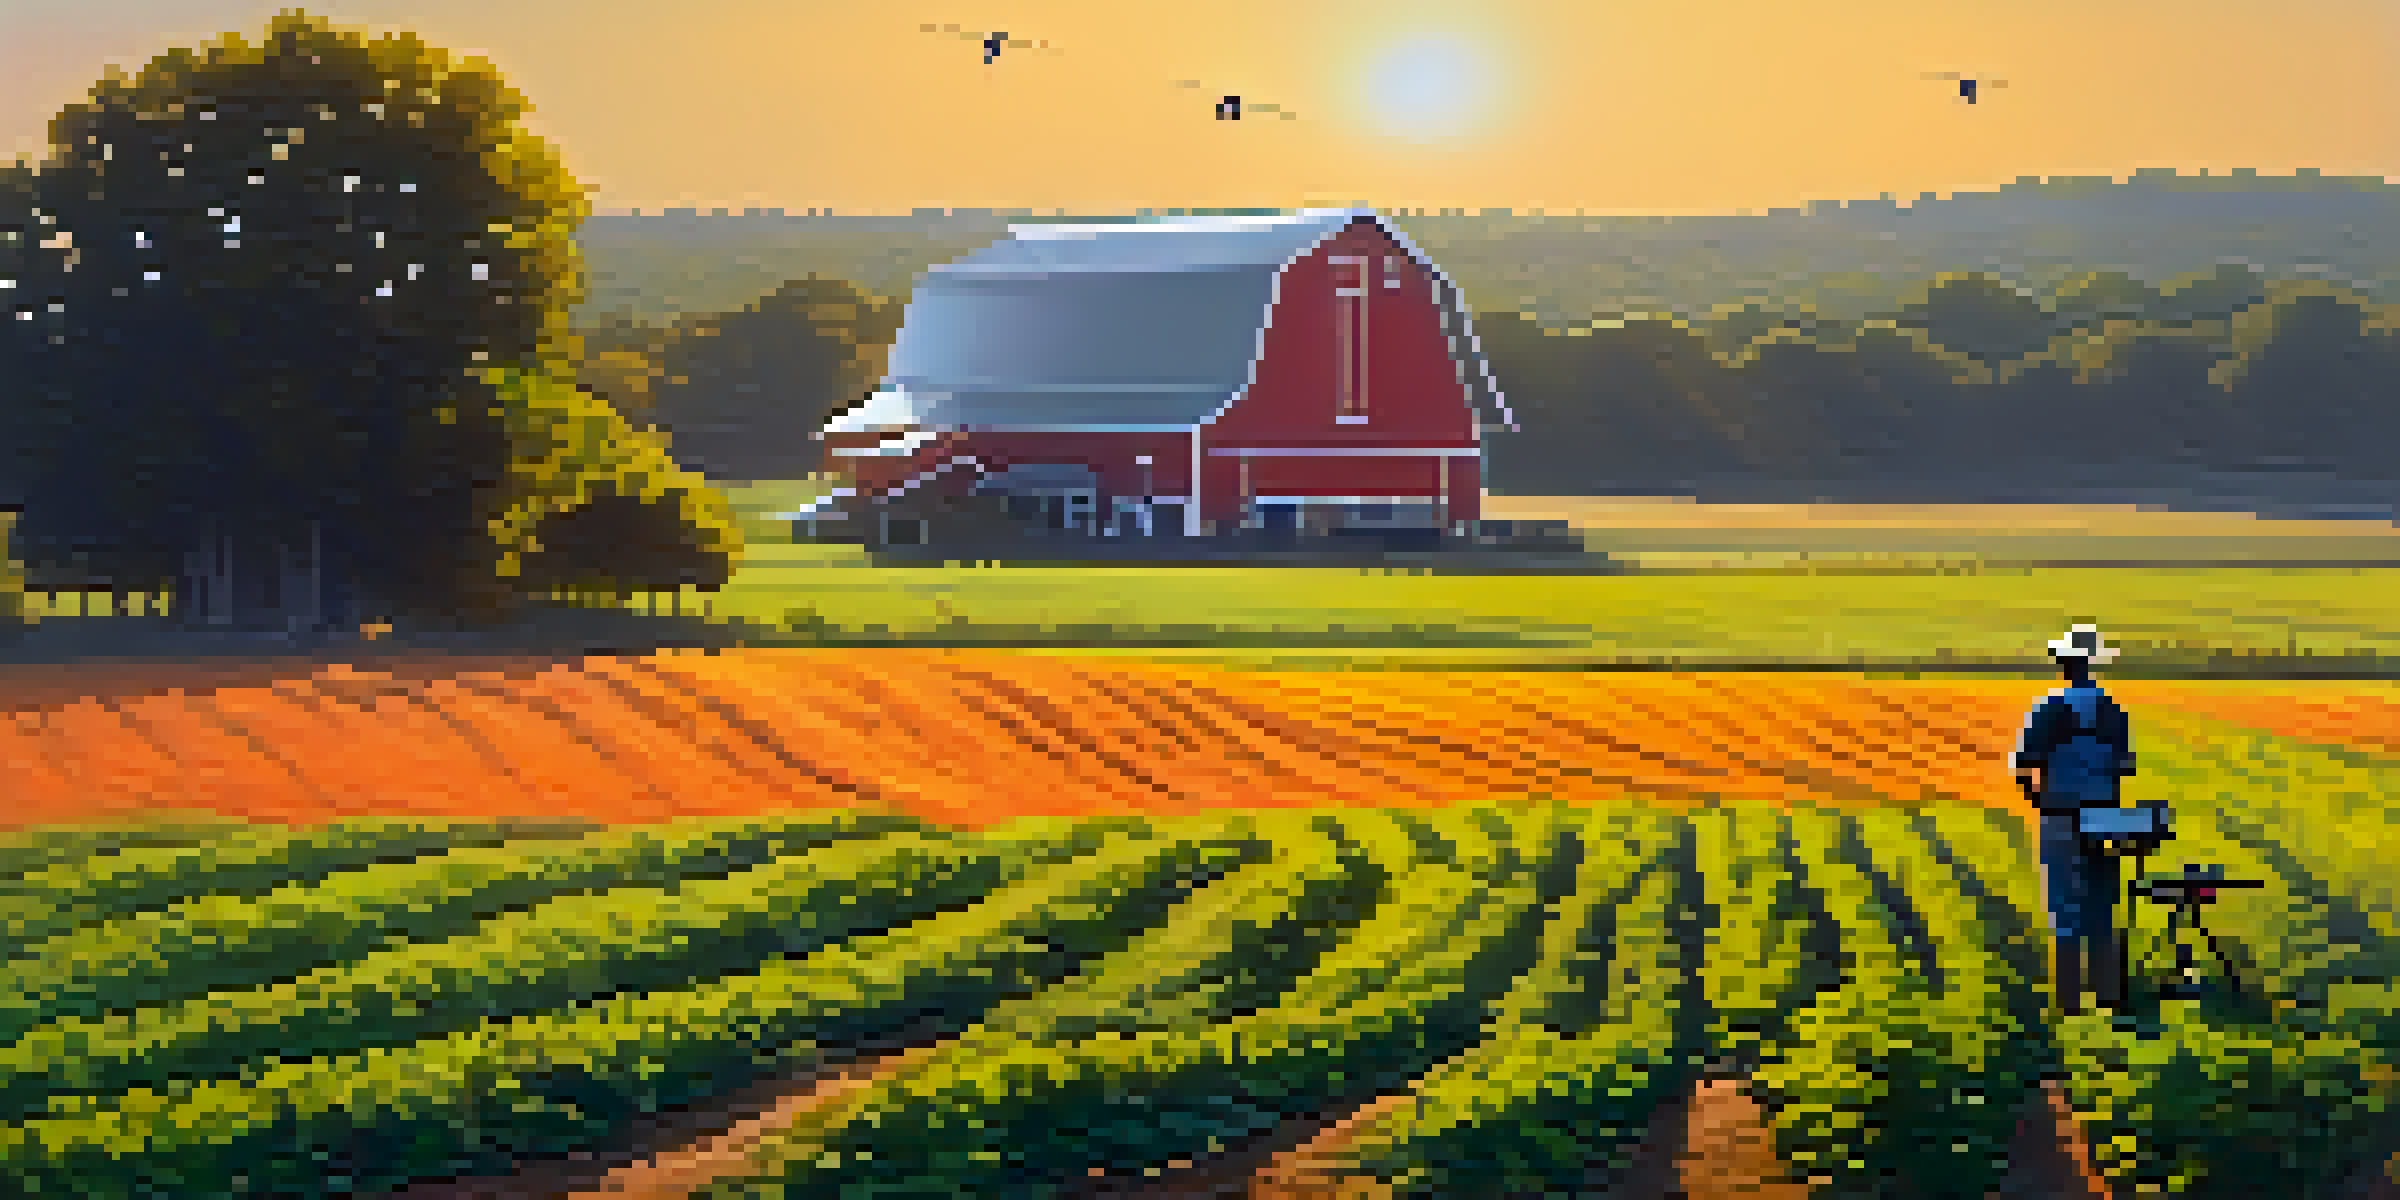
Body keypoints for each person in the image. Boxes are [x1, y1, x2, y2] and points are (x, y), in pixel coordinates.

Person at [2014, 624, 2136, 1015]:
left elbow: (2024, 770)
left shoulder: (2049, 708)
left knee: (2064, 908)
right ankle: (2108, 995)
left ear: (2064, 664)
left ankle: (2068, 1003)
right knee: (2102, 907)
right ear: (2094, 665)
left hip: (2060, 816)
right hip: (2104, 818)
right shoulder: (2113, 711)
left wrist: (2042, 803)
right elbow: (2123, 770)